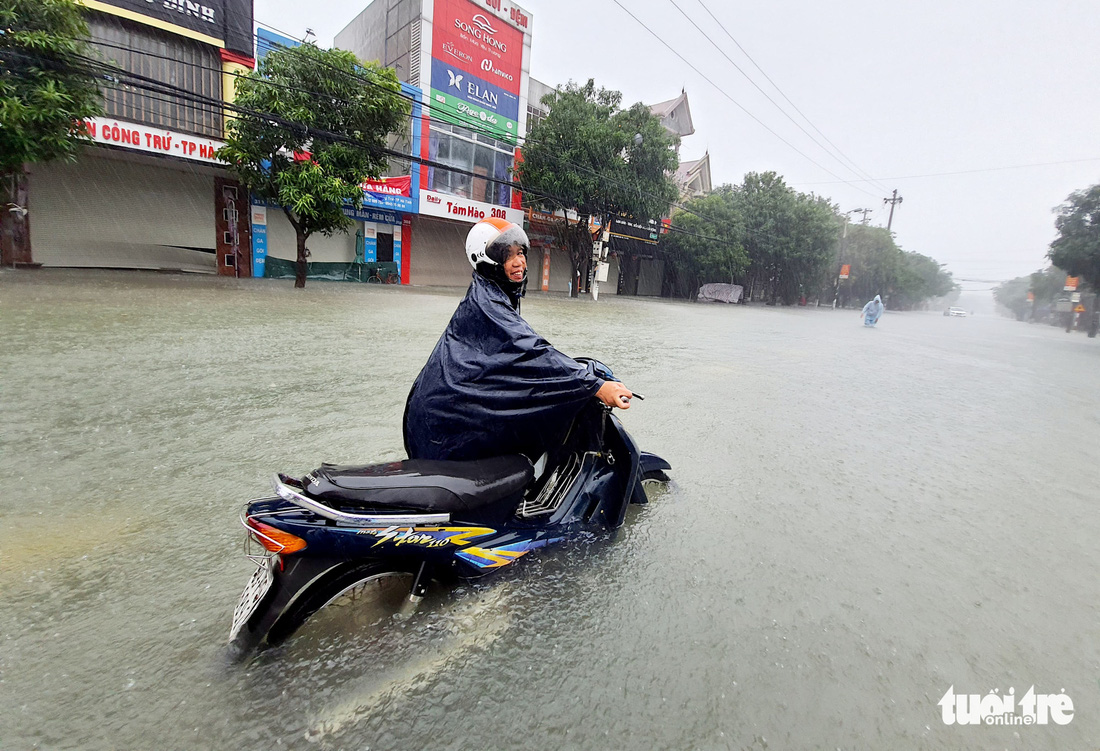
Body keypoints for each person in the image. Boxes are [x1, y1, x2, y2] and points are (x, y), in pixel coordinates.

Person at [403, 217, 634, 462]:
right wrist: (596, 386)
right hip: (445, 432)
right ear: (487, 261)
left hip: (444, 420)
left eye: (521, 253)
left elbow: (516, 356)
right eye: (508, 255)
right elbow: (530, 351)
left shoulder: (492, 293)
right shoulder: (488, 304)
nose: (520, 262)